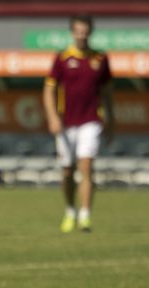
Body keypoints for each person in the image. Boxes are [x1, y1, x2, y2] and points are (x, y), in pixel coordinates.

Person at [43, 14, 114, 233]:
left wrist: (111, 118)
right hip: (66, 123)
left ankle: (85, 215)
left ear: (90, 31)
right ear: (72, 32)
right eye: (78, 30)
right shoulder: (62, 58)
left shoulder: (100, 59)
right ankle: (70, 210)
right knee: (67, 171)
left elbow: (108, 92)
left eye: (85, 30)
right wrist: (53, 117)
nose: (82, 34)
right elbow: (49, 90)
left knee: (87, 167)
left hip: (91, 121)